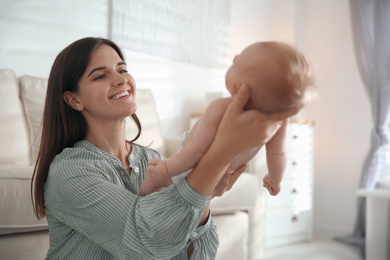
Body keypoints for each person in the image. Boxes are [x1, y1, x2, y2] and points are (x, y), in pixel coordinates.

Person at [31, 37, 280, 260]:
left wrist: (205, 197)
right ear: (74, 100)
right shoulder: (71, 171)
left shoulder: (153, 160)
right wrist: (217, 158)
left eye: (122, 69)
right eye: (100, 75)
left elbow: (198, 256)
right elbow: (145, 245)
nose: (121, 80)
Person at [139, 41, 316, 197]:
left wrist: (167, 168)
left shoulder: (221, 107)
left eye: (237, 62)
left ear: (240, 88)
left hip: (191, 165)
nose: (235, 58)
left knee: (157, 183)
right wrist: (275, 180)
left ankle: (147, 189)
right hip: (220, 174)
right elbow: (277, 153)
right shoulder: (277, 123)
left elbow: (197, 150)